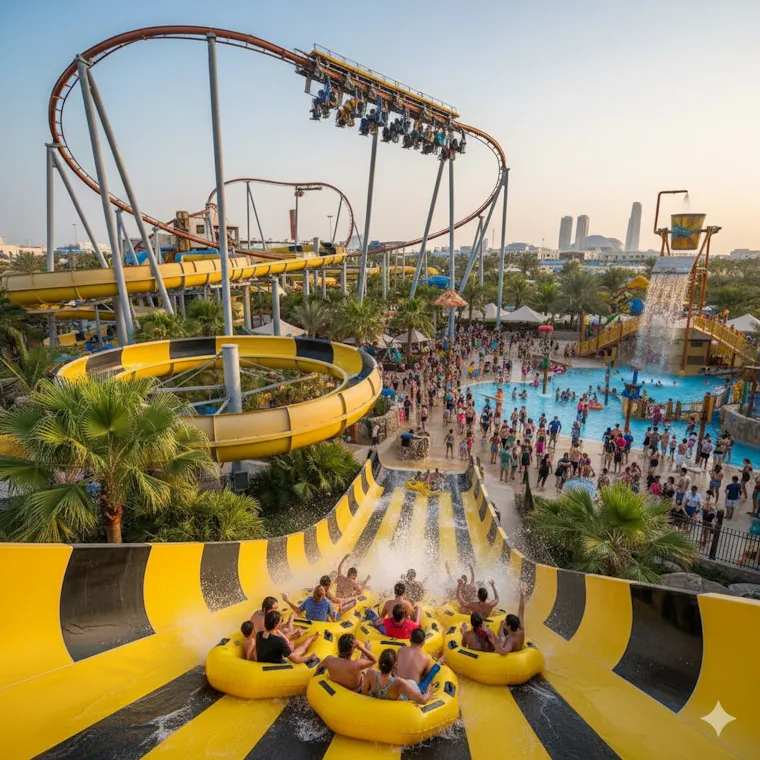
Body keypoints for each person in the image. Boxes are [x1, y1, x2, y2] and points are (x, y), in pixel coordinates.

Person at [362, 648, 431, 704]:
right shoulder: (400, 683)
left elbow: (364, 693)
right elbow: (422, 700)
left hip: (372, 708)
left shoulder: (370, 673)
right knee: (412, 683)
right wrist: (428, 691)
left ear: (380, 663)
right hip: (392, 711)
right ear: (395, 665)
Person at [396, 628, 444, 692]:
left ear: (410, 639)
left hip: (396, 687)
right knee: (429, 678)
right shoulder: (425, 659)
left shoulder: (401, 650)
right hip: (411, 692)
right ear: (423, 642)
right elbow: (428, 678)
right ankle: (439, 661)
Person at [497, 583, 527, 653]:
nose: (504, 621)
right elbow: (520, 612)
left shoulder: (510, 641)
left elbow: (502, 651)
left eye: (505, 621)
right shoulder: (521, 629)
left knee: (500, 635)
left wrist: (502, 638)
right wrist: (522, 595)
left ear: (509, 626)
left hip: (513, 653)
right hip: (518, 645)